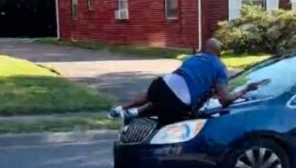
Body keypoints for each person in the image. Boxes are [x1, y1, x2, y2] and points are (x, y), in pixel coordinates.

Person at [109, 38, 262, 124]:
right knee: (167, 107)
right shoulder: (219, 67)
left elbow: (182, 78)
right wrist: (245, 89)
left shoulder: (192, 58)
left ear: (203, 49)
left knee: (152, 95)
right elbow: (225, 98)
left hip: (163, 83)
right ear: (218, 52)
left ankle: (121, 109)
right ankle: (136, 114)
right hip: (179, 99)